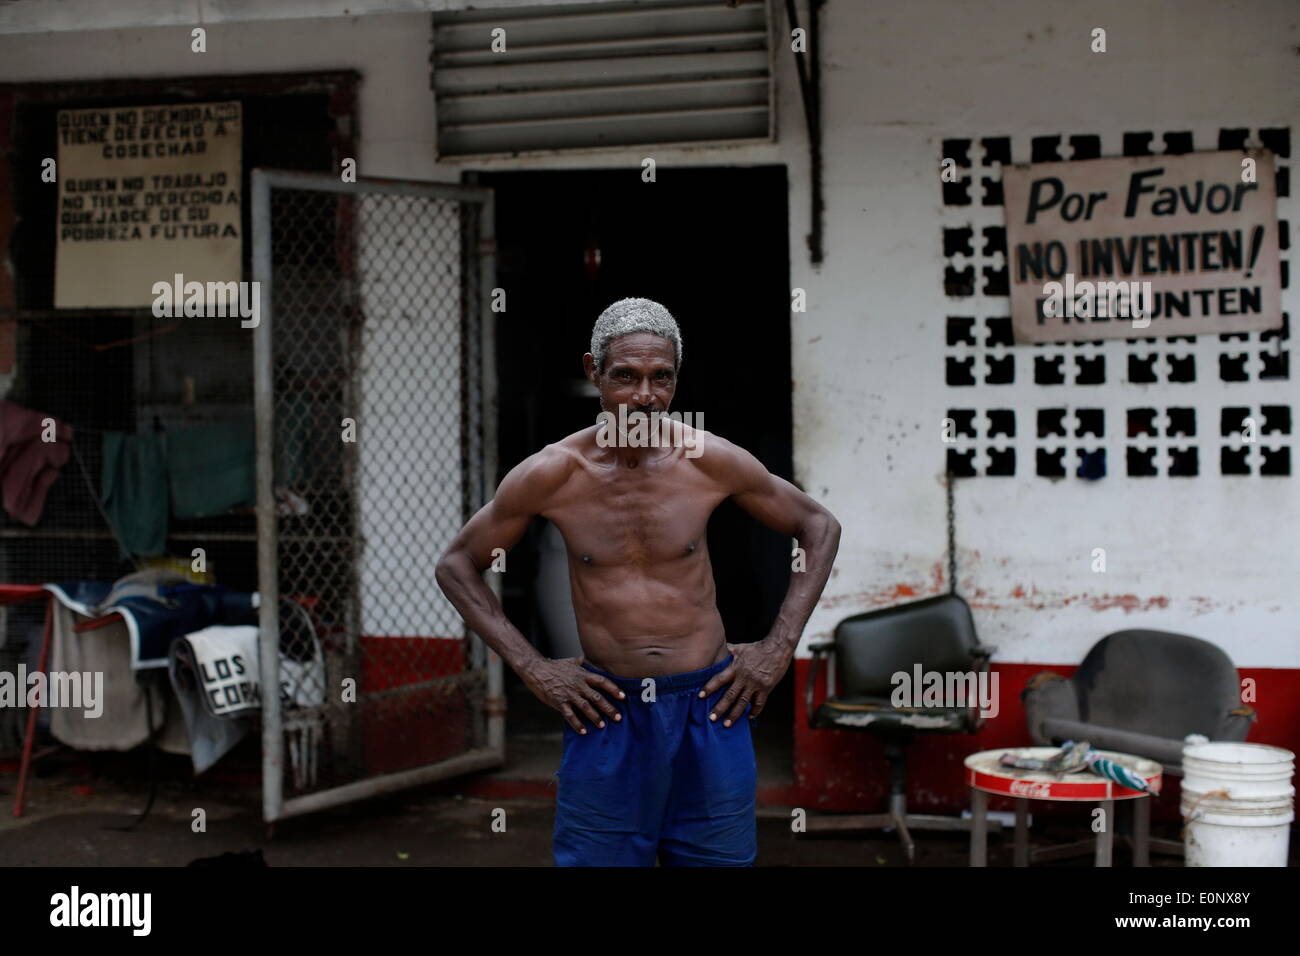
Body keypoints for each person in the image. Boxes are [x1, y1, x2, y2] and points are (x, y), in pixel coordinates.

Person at [435, 297, 840, 866]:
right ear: (592, 372)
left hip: (710, 703)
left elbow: (817, 524)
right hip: (608, 710)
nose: (644, 396)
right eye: (625, 376)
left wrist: (778, 649)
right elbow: (457, 565)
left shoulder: (709, 461)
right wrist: (534, 669)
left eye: (661, 377)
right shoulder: (552, 473)